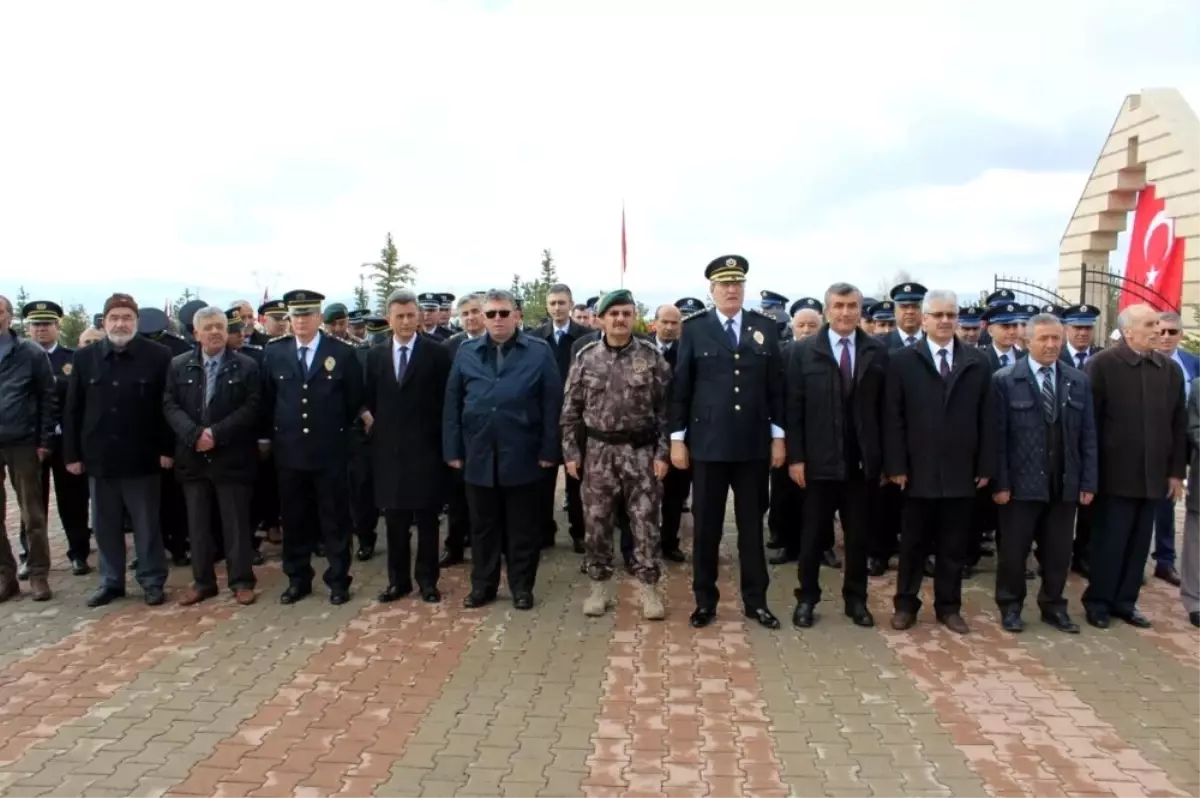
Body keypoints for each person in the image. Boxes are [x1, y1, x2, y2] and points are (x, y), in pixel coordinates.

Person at [669, 255, 785, 630]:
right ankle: (705, 601)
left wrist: (778, 438)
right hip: (708, 445)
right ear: (712, 290)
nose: (732, 290)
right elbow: (681, 389)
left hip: (752, 445)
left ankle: (757, 601)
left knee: (752, 527)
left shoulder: (764, 328)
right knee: (707, 527)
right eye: (724, 284)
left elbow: (776, 391)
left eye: (737, 284)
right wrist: (677, 439)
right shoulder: (695, 329)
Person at [443, 289, 562, 610]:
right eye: (491, 313)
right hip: (478, 455)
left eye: (503, 313)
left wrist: (551, 451)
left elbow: (553, 405)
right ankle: (483, 586)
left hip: (523, 454)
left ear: (517, 315)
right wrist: (453, 450)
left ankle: (522, 587)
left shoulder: (538, 352)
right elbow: (452, 404)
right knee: (482, 528)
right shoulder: (466, 352)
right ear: (482, 317)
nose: (497, 319)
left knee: (523, 528)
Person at [884, 289, 994, 634]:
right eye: (939, 315)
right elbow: (893, 417)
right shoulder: (903, 360)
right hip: (918, 471)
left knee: (953, 546)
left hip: (961, 471)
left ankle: (949, 607)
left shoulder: (977, 361)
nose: (946, 321)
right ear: (925, 319)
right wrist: (896, 465)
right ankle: (906, 605)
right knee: (913, 545)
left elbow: (989, 417)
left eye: (951, 315)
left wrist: (986, 465)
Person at [561, 289, 672, 620]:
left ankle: (649, 590)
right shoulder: (586, 358)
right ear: (601, 319)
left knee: (646, 521)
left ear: (634, 316)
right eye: (613, 314)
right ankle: (598, 587)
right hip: (598, 452)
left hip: (641, 452)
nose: (620, 319)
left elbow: (667, 411)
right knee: (596, 522)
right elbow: (570, 411)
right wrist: (570, 452)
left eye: (626, 313)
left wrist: (663, 453)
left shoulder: (652, 358)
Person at [786, 282, 886, 630]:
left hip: (860, 464)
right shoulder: (804, 352)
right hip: (817, 462)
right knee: (813, 536)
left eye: (852, 306)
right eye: (840, 306)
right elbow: (793, 410)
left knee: (858, 537)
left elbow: (885, 411)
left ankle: (856, 600)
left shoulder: (876, 350)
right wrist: (795, 458)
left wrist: (883, 460)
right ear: (828, 310)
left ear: (860, 310)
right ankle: (807, 599)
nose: (846, 312)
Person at [64, 293, 175, 607]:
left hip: (143, 457)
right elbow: (73, 410)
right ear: (103, 322)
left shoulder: (158, 355)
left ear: (136, 322)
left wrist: (167, 449)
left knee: (147, 526)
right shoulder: (85, 358)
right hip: (100, 459)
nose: (120, 323)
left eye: (127, 317)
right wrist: (72, 455)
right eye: (114, 318)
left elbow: (166, 407)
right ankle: (111, 582)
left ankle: (152, 581)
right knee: (105, 526)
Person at [1081, 303, 1186, 629]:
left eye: (1159, 324)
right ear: (1128, 331)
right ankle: (1098, 601)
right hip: (1114, 477)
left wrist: (1175, 473)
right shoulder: (1102, 365)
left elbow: (1177, 425)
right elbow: (1089, 425)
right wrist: (1091, 474)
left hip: (1153, 477)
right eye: (1151, 324)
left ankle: (1125, 602)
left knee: (1139, 544)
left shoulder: (1169, 370)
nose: (1158, 330)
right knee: (1109, 543)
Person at [991, 312, 1096, 634]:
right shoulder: (1006, 380)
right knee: (1013, 552)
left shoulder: (1076, 380)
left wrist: (1088, 480)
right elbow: (997, 438)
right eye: (1044, 339)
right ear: (1028, 341)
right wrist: (1001, 482)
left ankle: (1053, 606)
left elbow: (1088, 435)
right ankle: (1010, 607)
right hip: (1020, 486)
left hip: (1063, 483)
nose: (1051, 345)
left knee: (1058, 554)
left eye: (1056, 339)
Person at [260, 289, 364, 606]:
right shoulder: (275, 352)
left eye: (307, 314)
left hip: (329, 451)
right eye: (296, 315)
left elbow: (353, 401)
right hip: (290, 452)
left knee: (334, 519)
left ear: (319, 317)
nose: (301, 321)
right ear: (289, 319)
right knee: (294, 520)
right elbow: (268, 400)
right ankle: (298, 579)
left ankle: (338, 580)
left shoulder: (342, 353)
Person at [162, 306, 261, 606]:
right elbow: (169, 404)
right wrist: (195, 435)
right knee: (199, 525)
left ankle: (242, 581)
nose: (215, 332)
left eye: (220, 326)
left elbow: (253, 406)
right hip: (193, 457)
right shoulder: (179, 365)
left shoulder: (246, 365)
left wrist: (216, 434)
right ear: (196, 333)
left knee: (236, 524)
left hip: (231, 457)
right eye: (209, 327)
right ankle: (203, 582)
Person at [364, 289, 452, 603]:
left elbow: (447, 402)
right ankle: (397, 581)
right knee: (395, 522)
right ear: (389, 319)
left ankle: (427, 581)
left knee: (427, 521)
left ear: (418, 317)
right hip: (388, 452)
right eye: (399, 316)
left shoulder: (437, 353)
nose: (405, 322)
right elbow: (368, 399)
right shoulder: (375, 355)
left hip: (426, 452)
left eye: (410, 315)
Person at [16, 300, 91, 578]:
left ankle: (79, 553)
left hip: (66, 441)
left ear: (58, 326)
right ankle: (30, 555)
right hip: (31, 442)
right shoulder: (19, 359)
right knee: (32, 504)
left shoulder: (73, 359)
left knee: (73, 501)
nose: (41, 330)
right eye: (36, 325)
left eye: (46, 324)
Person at [0, 294, 57, 602]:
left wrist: (45, 440)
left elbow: (48, 397)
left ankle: (38, 574)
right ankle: (5, 576)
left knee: (32, 515)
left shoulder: (30, 353)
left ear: (9, 317)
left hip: (23, 441)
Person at [531, 283, 590, 551]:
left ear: (570, 304)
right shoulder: (534, 338)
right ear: (547, 305)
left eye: (562, 303)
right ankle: (543, 529)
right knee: (542, 480)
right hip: (543, 418)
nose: (557, 308)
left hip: (578, 419)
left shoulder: (587, 338)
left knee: (576, 478)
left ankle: (579, 531)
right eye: (552, 303)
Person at [768, 297, 825, 565]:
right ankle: (785, 543)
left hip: (820, 434)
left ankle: (822, 546)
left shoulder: (828, 354)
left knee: (821, 495)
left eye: (812, 325)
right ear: (792, 328)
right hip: (786, 433)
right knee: (784, 493)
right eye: (800, 325)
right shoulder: (781, 354)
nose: (805, 330)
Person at [1150, 310, 1199, 587]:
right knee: (1151, 503)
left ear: (1180, 335)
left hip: (1189, 444)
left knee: (1171, 500)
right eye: (1161, 331)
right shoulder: (1144, 361)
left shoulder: (1193, 364)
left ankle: (1165, 560)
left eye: (1172, 332)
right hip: (1156, 443)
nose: (1166, 337)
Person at [440, 293, 487, 567]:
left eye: (474, 311)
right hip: (459, 431)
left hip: (487, 433)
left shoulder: (497, 345)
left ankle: (489, 547)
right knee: (456, 496)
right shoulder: (449, 347)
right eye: (465, 313)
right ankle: (454, 546)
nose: (469, 317)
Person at [1056, 303, 1103, 576]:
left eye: (1087, 327)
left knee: (1088, 506)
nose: (1083, 333)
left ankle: (1082, 554)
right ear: (1067, 329)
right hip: (1059, 443)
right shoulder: (1054, 356)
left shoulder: (1101, 358)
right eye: (1077, 327)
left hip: (1090, 440)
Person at [653, 300, 689, 563]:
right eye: (664, 322)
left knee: (675, 492)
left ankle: (669, 542)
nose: (668, 327)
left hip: (677, 431)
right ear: (654, 323)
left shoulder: (687, 352)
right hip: (643, 430)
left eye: (674, 323)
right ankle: (640, 543)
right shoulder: (640, 349)